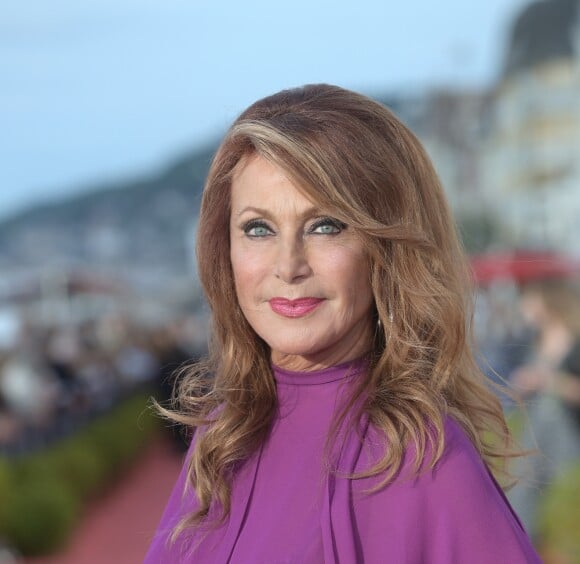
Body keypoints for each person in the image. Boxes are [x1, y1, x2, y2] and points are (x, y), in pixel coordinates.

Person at [145, 84, 540, 563]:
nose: (288, 266)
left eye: (325, 225)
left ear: (384, 249)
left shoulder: (425, 461)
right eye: (258, 228)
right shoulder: (222, 434)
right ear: (223, 251)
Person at [509, 279, 580, 539]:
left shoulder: (575, 341)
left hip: (568, 436)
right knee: (524, 495)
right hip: (535, 433)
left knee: (561, 504)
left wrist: (548, 380)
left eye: (530, 298)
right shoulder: (534, 339)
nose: (525, 306)